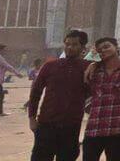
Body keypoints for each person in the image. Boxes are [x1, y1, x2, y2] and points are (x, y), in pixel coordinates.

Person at [28, 30, 89, 161]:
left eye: (74, 44)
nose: (70, 47)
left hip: (71, 125)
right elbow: (36, 92)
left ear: (83, 48)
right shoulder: (50, 66)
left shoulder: (88, 67)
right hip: (46, 123)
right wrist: (32, 118)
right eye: (67, 44)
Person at [81, 37, 120, 161]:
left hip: (118, 129)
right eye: (100, 50)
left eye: (107, 47)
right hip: (94, 129)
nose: (103, 50)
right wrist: (93, 63)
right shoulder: (94, 71)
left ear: (117, 48)